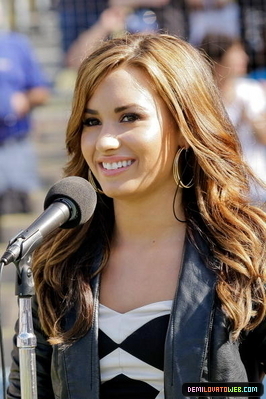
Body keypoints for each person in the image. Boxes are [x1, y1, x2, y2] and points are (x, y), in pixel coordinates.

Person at [7, 33, 266, 399]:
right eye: (92, 121)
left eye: (129, 117)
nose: (105, 142)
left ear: (184, 127)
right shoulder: (57, 262)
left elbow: (242, 388)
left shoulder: (246, 252)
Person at [199, 33, 266, 204]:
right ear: (218, 60)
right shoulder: (202, 98)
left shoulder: (250, 91)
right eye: (236, 52)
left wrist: (254, 123)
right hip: (223, 191)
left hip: (259, 186)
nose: (243, 57)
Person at [0, 2, 50, 215]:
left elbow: (42, 90)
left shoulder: (16, 44)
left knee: (21, 212)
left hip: (16, 142)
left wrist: (25, 100)